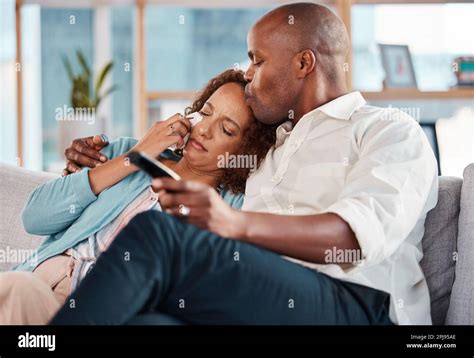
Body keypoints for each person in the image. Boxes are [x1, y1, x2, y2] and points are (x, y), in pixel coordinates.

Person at [51, 3, 438, 325]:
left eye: (258, 60)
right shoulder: (267, 150)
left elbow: (354, 238)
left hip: (358, 306)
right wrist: (99, 160)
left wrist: (231, 222)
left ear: (304, 63)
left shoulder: (388, 129)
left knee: (156, 233)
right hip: (260, 299)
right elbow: (194, 157)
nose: (248, 74)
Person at [0, 69, 278, 325]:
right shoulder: (124, 150)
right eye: (205, 113)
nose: (204, 129)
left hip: (96, 310)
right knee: (18, 288)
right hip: (38, 282)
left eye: (226, 129)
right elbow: (34, 217)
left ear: (246, 149)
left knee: (17, 289)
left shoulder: (227, 208)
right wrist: (135, 157)